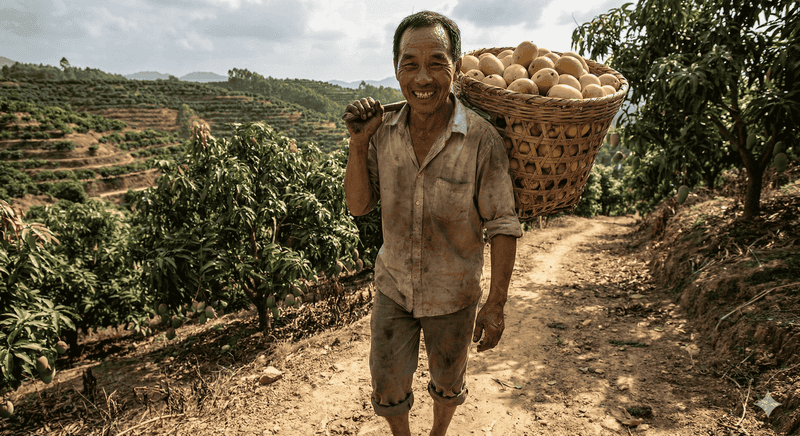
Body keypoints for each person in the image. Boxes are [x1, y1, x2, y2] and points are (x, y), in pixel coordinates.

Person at [342, 10, 522, 436]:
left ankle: (439, 433)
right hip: (394, 287)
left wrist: (496, 304)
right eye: (410, 64)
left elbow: (502, 223)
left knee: (448, 382)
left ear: (456, 68)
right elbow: (358, 206)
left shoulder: (480, 139)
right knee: (387, 385)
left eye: (436, 63)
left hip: (454, 293)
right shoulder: (382, 132)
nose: (423, 77)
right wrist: (358, 143)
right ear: (396, 69)